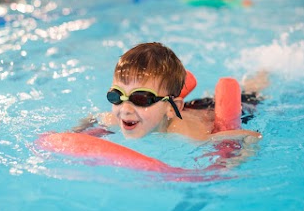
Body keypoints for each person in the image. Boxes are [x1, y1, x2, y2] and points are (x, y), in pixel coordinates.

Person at [76, 42, 266, 144]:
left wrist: (230, 160)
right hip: (187, 107)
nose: (125, 109)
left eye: (140, 98)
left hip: (229, 110)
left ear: (169, 108)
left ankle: (265, 70)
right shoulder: (115, 119)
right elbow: (93, 119)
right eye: (116, 96)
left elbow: (251, 136)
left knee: (252, 91)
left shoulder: (186, 134)